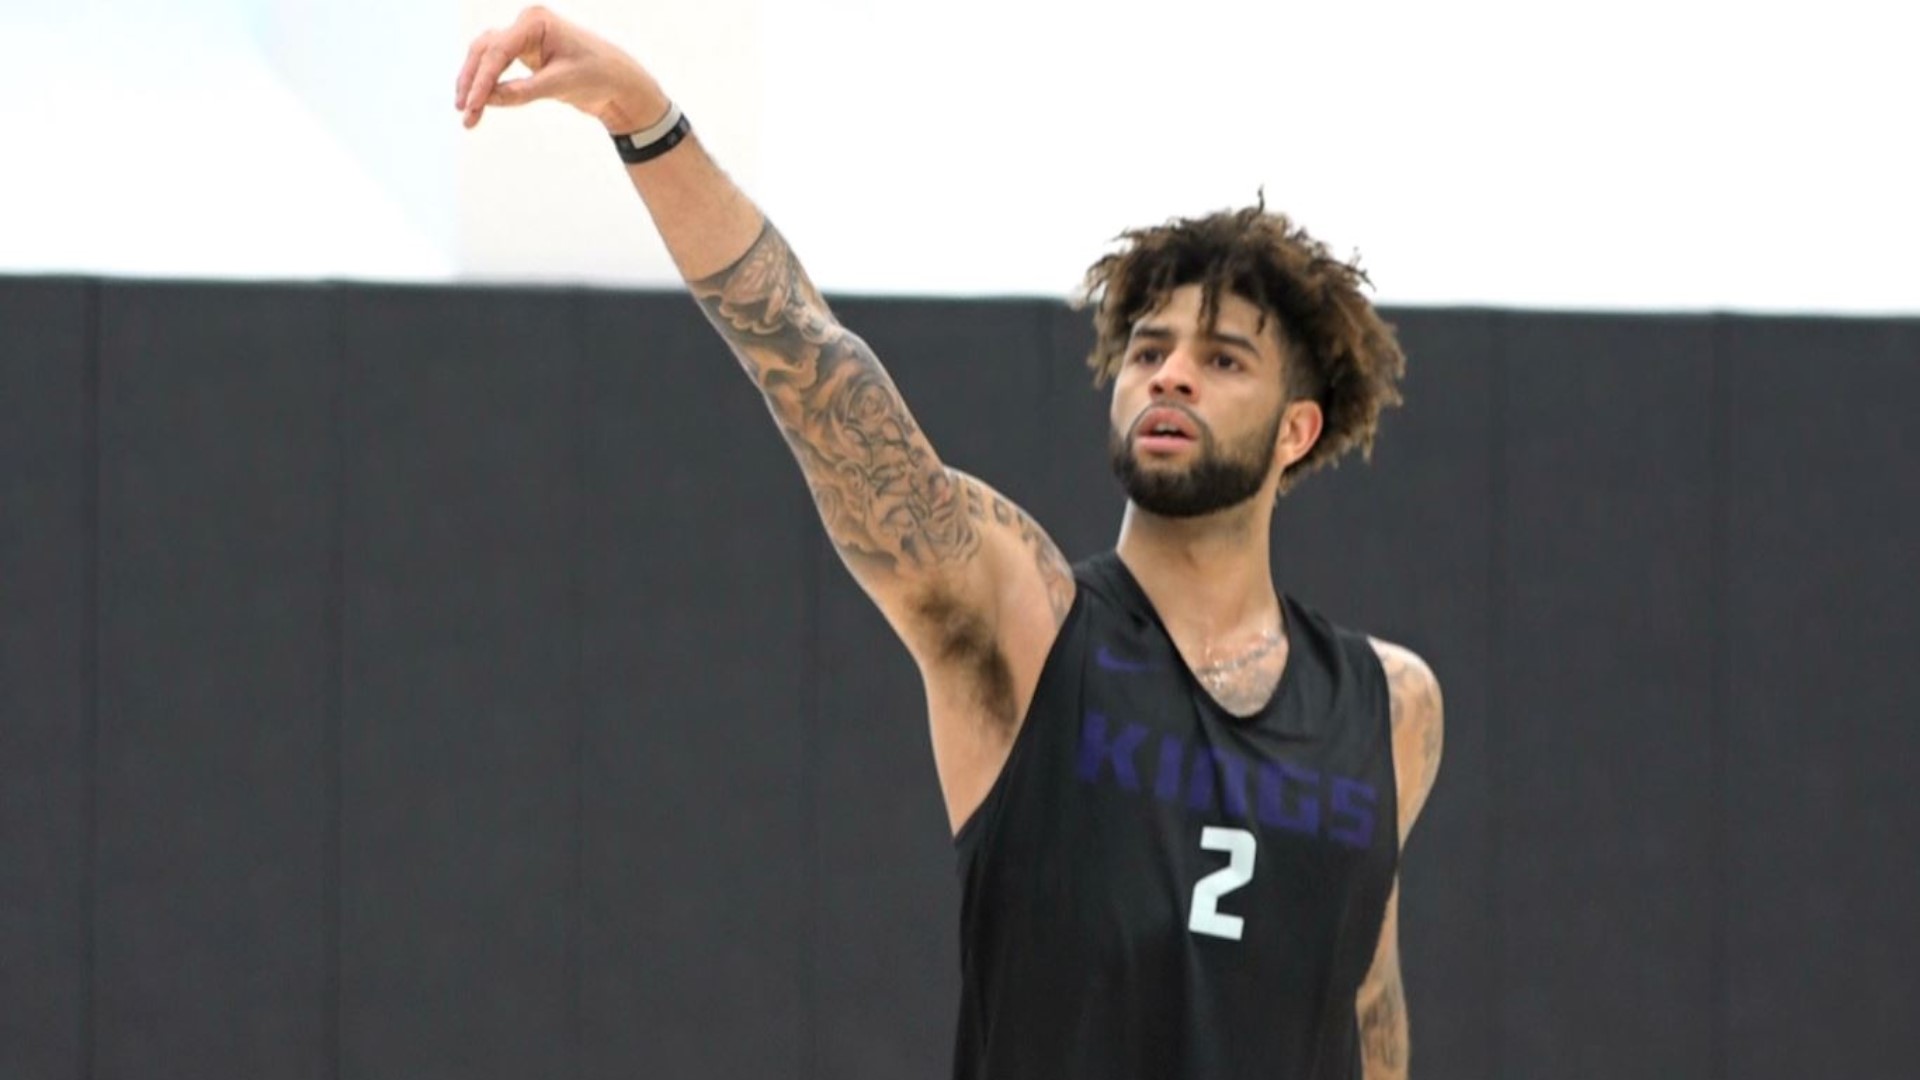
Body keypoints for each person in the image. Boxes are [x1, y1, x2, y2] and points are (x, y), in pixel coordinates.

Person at [456, 8, 1444, 1078]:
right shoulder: (1021, 619)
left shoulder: (1390, 709)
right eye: (1149, 349)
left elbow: (1365, 1001)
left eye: (1222, 359)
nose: (1169, 374)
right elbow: (806, 352)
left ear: (1298, 429)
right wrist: (643, 117)